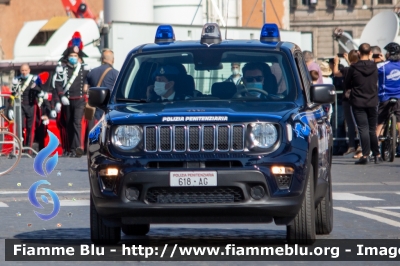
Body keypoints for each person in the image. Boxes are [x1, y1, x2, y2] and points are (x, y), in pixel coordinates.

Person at [343, 43, 381, 164]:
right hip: (372, 100)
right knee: (372, 129)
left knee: (363, 129)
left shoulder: (353, 68)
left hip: (358, 101)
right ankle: (377, 154)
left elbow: (347, 84)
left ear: (358, 53)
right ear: (370, 53)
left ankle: (365, 155)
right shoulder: (374, 66)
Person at [54, 44, 90, 158]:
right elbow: (58, 84)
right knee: (69, 124)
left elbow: (90, 80)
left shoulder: (84, 69)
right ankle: (71, 148)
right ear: (68, 56)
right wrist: (61, 96)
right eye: (71, 55)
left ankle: (77, 147)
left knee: (77, 123)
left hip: (80, 100)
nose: (73, 57)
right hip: (68, 101)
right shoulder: (62, 69)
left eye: (75, 55)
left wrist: (87, 87)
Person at [333, 50, 361, 158]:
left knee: (351, 124)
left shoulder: (349, 69)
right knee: (359, 123)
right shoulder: (363, 68)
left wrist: (336, 62)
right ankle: (359, 146)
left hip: (348, 98)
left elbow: (336, 73)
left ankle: (352, 146)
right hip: (360, 98)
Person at [8, 64, 41, 151]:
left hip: (31, 105)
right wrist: (10, 108)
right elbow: (13, 94)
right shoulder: (16, 79)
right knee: (20, 127)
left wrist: (36, 87)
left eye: (26, 70)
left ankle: (29, 149)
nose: (24, 72)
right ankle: (20, 148)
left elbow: (40, 91)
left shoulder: (35, 79)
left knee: (30, 127)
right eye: (22, 70)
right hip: (20, 105)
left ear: (29, 70)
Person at [376, 42, 400, 154]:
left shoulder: (382, 66)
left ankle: (375, 147)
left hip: (385, 97)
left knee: (380, 121)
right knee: (399, 120)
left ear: (389, 54)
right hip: (399, 97)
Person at [86, 49, 119, 121]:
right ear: (113, 60)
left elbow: (85, 89)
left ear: (101, 59)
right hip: (108, 108)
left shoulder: (92, 72)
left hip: (93, 109)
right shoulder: (116, 74)